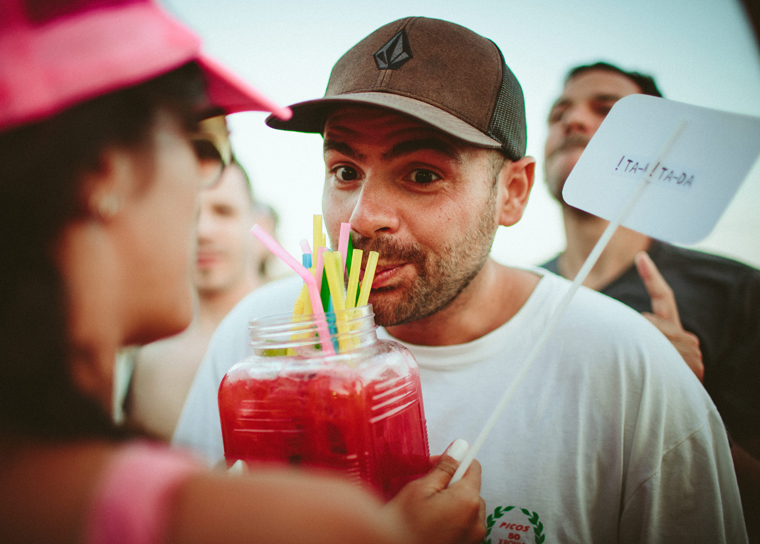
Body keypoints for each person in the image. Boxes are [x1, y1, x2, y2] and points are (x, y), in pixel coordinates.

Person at [174, 16, 748, 542]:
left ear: (513, 193)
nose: (361, 216)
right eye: (345, 170)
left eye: (421, 174)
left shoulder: (630, 369)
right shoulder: (261, 345)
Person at [0, 2, 488, 543]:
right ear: (100, 173)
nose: (205, 191)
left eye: (420, 174)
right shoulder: (267, 523)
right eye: (200, 142)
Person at [540, 60, 760, 541]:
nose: (572, 121)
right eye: (559, 112)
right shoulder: (523, 294)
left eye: (607, 110)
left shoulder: (740, 293)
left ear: (662, 148)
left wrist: (681, 403)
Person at [127, 151, 274, 440]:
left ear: (262, 228)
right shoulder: (148, 356)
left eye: (223, 211)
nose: (204, 231)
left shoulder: (303, 331)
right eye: (188, 214)